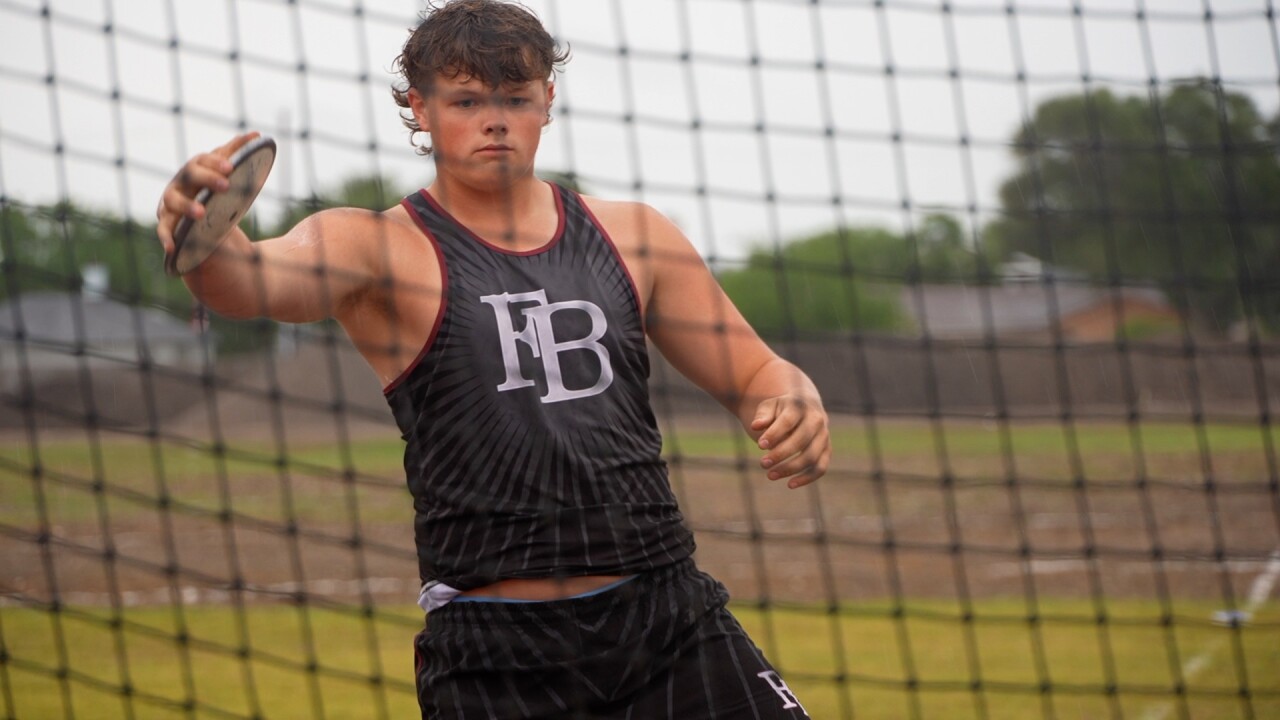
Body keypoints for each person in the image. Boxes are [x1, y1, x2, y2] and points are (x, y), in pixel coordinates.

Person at [156, 1, 830, 717]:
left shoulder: (638, 235)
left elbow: (758, 372)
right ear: (419, 106)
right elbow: (249, 281)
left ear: (548, 100)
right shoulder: (376, 247)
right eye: (467, 99)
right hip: (496, 658)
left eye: (515, 96)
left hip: (668, 625)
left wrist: (793, 398)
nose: (495, 118)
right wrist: (200, 229)